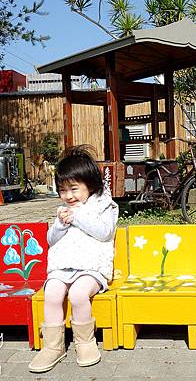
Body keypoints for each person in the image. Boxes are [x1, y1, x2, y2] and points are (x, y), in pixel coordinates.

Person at [29, 145, 118, 372]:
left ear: (89, 185)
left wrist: (77, 217)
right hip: (63, 266)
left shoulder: (104, 206)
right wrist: (59, 224)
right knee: (52, 293)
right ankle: (53, 346)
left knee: (78, 294)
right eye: (62, 190)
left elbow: (104, 232)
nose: (68, 196)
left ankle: (85, 342)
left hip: (91, 267)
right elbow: (51, 240)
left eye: (74, 189)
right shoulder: (64, 210)